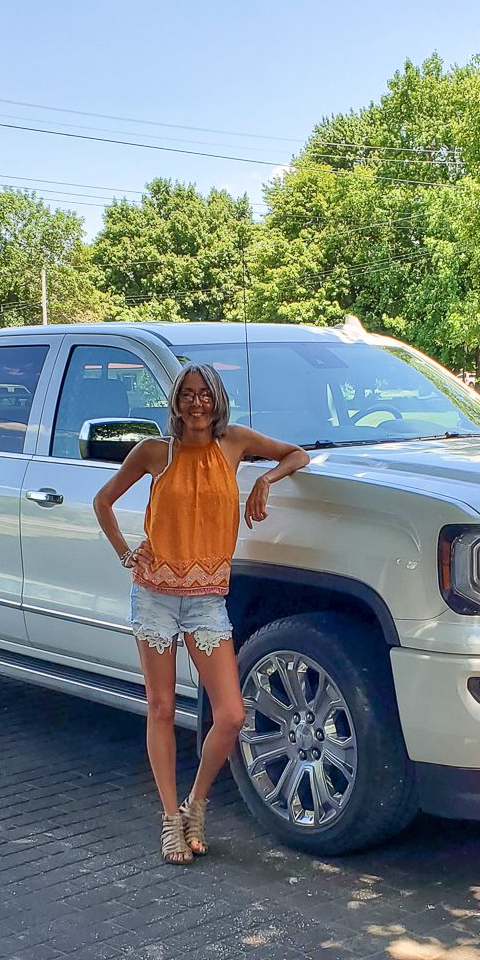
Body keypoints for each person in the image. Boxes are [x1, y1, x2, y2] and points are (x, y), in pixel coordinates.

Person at [93, 363, 309, 865]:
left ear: (217, 399)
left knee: (232, 714)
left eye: (204, 394)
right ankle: (171, 820)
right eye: (188, 395)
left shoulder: (232, 443)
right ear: (176, 402)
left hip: (208, 597)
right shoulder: (154, 452)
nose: (196, 403)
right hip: (154, 594)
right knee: (162, 708)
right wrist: (128, 554)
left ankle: (196, 804)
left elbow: (295, 453)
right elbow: (103, 501)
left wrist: (265, 481)